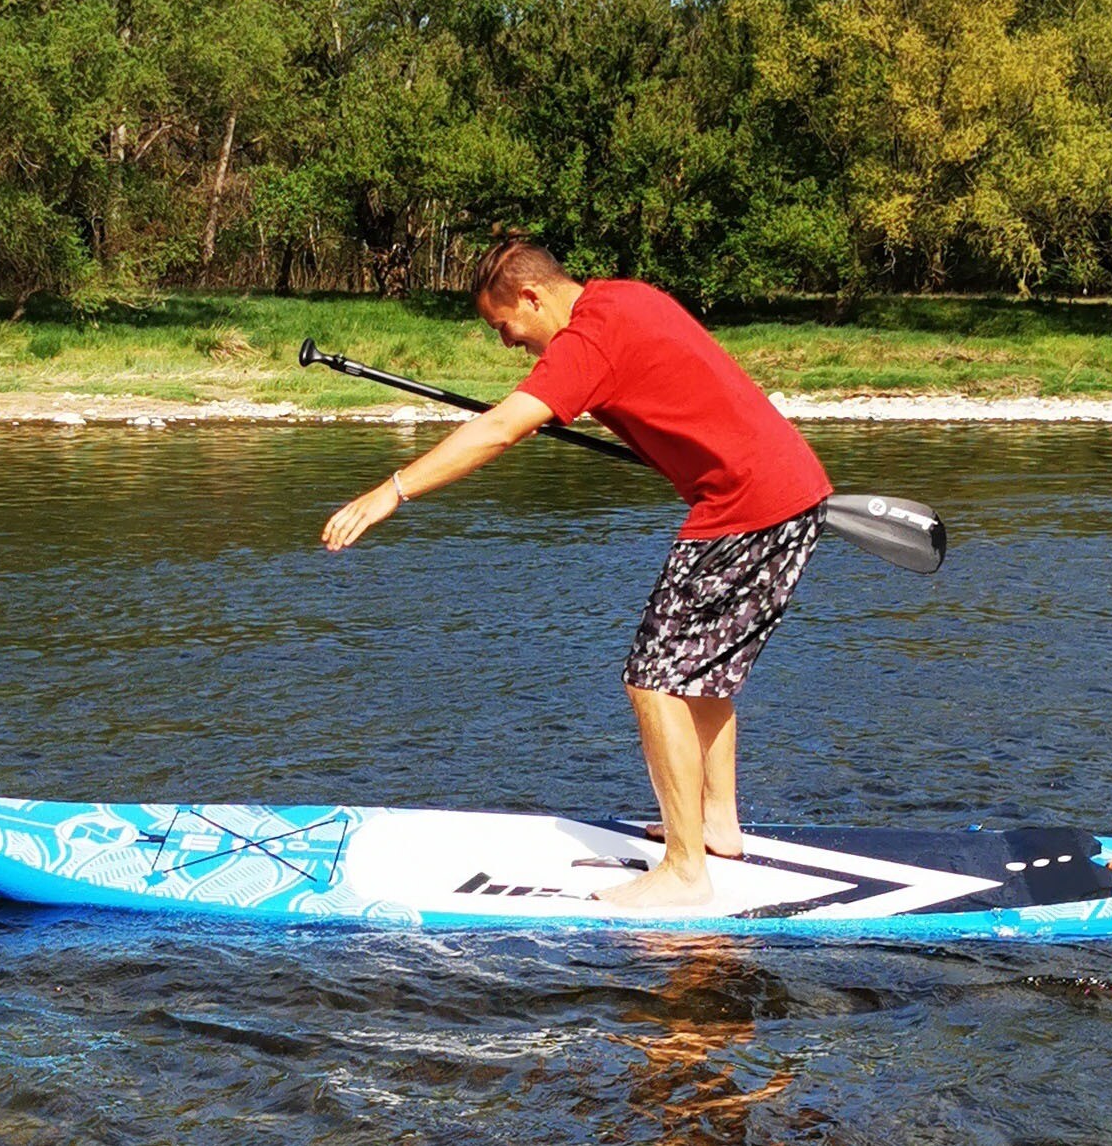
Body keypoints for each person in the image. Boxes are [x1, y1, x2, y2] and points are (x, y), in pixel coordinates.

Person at [319, 240, 832, 909]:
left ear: (531, 296)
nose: (507, 343)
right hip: (787, 492)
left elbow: (502, 428)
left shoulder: (587, 342)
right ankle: (716, 827)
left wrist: (392, 490)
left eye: (504, 326)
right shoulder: (623, 296)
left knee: (654, 679)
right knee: (703, 669)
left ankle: (683, 871)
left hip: (746, 507)